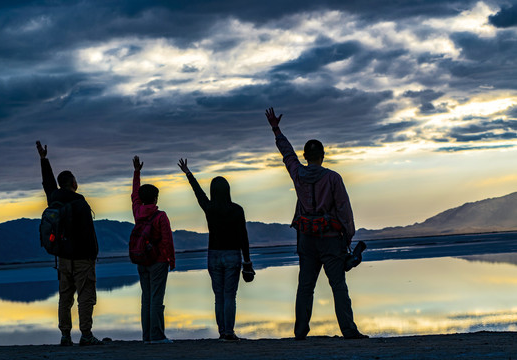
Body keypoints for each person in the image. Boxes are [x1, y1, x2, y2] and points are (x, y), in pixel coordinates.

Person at [264, 108, 368, 340]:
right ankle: (349, 331)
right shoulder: (333, 178)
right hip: (331, 241)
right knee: (338, 286)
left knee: (305, 287)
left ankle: (301, 332)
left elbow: (287, 154)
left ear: (305, 156)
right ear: (322, 155)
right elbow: (344, 210)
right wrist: (348, 238)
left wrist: (276, 129)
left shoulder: (298, 174)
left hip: (307, 241)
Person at [177, 158, 253, 342]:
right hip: (232, 255)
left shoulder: (209, 208)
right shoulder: (237, 210)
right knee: (229, 296)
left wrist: (188, 174)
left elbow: (198, 194)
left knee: (219, 296)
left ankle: (222, 332)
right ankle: (229, 332)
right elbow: (243, 237)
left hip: (213, 256)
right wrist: (247, 261)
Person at [36, 141, 103, 346]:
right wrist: (93, 255)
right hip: (82, 258)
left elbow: (48, 183)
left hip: (63, 258)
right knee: (85, 297)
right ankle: (86, 335)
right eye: (75, 180)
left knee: (65, 298)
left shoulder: (54, 199)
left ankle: (65, 335)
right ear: (72, 183)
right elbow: (88, 234)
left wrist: (43, 160)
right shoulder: (79, 202)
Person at [131, 156, 175, 344]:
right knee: (156, 299)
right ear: (156, 198)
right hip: (158, 262)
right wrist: (170, 261)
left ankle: (147, 336)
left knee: (146, 299)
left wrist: (136, 173)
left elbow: (134, 195)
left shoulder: (137, 212)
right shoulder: (160, 216)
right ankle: (157, 336)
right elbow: (167, 241)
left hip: (142, 261)